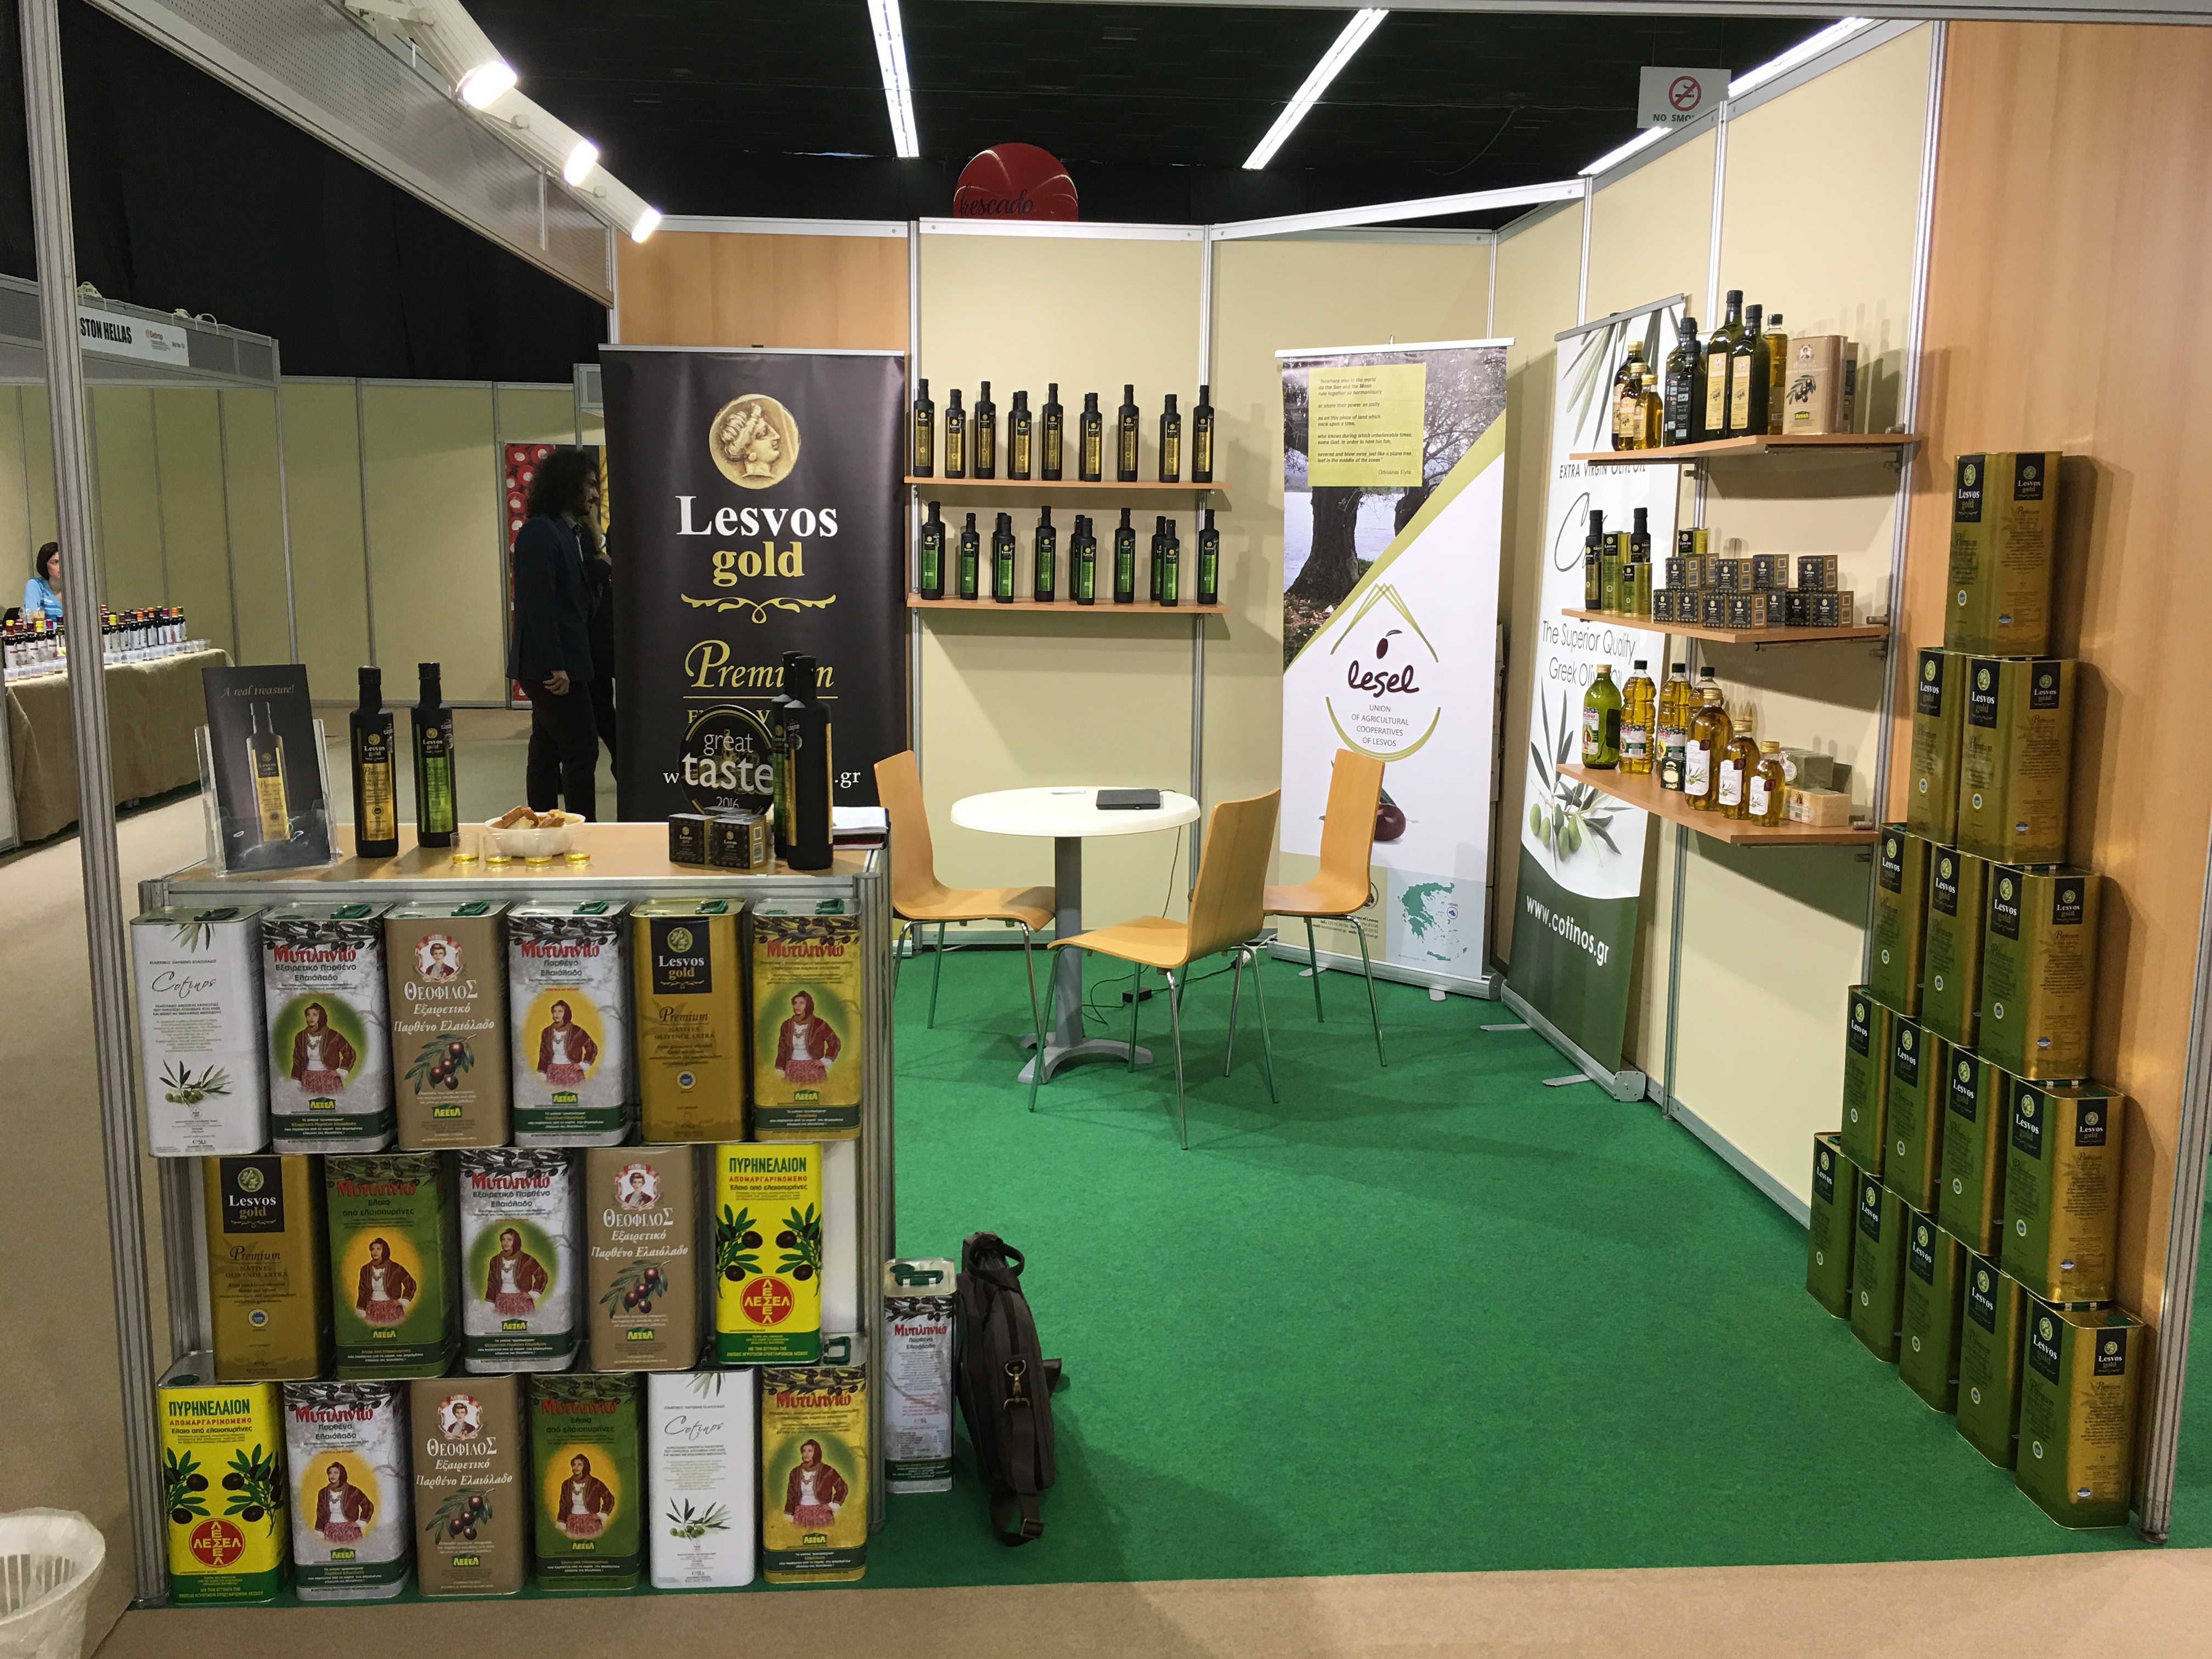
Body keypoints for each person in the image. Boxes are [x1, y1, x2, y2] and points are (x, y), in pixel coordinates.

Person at [509, 449, 599, 819]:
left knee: (546, 748)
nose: (595, 495)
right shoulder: (540, 532)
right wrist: (554, 665)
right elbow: (538, 605)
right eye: (589, 485)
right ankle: (583, 827)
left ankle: (544, 824)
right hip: (553, 667)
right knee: (582, 748)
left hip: (562, 662)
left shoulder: (565, 531)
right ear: (568, 486)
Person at [579, 467, 617, 770]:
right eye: (590, 486)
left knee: (600, 707)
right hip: (593, 636)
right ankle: (624, 762)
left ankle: (623, 762)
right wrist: (604, 566)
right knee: (600, 709)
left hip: (600, 635)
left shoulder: (587, 529)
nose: (596, 494)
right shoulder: (573, 533)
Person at [774, 990, 842, 1085]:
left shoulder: (819, 1024)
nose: (798, 1006)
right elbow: (782, 1048)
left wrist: (825, 1060)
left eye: (802, 1003)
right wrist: (780, 1069)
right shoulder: (786, 1025)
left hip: (813, 1069)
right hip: (792, 1068)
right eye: (795, 1003)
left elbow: (835, 1042)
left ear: (808, 1005)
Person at [290, 1002, 356, 1094]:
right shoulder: (300, 1036)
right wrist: (296, 1079)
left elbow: (349, 1052)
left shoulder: (333, 1035)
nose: (311, 1018)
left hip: (329, 1079)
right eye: (308, 1015)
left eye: (315, 1015)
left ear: (321, 1017)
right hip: (307, 1079)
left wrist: (340, 1071)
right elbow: (297, 1059)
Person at [485, 1226, 549, 1314]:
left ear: (516, 1241)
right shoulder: (495, 1260)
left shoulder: (527, 1259)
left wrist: (532, 1294)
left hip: (521, 1302)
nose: (506, 1243)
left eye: (509, 1240)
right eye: (503, 1240)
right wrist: (490, 1302)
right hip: (501, 1302)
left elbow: (542, 1275)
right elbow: (491, 1283)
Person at [782, 1439, 847, 1526]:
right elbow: (791, 1495)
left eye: (810, 1451)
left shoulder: (827, 1471)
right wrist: (789, 1514)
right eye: (804, 1451)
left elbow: (842, 1488)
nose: (806, 1454)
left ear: (816, 1453)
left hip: (822, 1514)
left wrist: (832, 1506)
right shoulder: (795, 1472)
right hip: (800, 1514)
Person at [355, 1236, 417, 1327]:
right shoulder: (365, 1269)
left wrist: (402, 1301)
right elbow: (362, 1290)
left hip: (392, 1309)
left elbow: (411, 1284)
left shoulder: (396, 1268)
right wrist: (361, 1309)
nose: (375, 1252)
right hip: (372, 1308)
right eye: (373, 1249)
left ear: (384, 1251)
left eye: (379, 1249)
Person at [535, 998, 597, 1085]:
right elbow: (543, 1054)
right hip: (553, 1071)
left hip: (572, 1072)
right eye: (554, 1011)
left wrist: (583, 1065)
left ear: (566, 1013)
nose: (557, 1014)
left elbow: (592, 1047)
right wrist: (542, 1072)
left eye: (560, 1011)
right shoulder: (547, 1032)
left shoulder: (577, 1031)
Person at [314, 1461, 374, 1542]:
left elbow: (368, 1506)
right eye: (330, 1473)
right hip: (330, 1530)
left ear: (342, 1474)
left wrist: (360, 1523)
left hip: (349, 1530)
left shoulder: (353, 1491)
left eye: (336, 1473)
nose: (333, 1475)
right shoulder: (323, 1492)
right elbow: (320, 1513)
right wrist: (319, 1531)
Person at [560, 1454, 614, 1538]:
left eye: (580, 1465)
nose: (576, 1467)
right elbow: (563, 1504)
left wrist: (601, 1515)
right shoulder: (566, 1484)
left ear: (585, 1466)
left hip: (591, 1522)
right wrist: (562, 1522)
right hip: (572, 1522)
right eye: (574, 1465)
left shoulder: (595, 1483)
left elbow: (609, 1498)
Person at [22, 543, 62, 621]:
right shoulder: (35, 585)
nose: (61, 566)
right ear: (45, 565)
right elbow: (32, 621)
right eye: (55, 562)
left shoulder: (75, 587)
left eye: (63, 561)